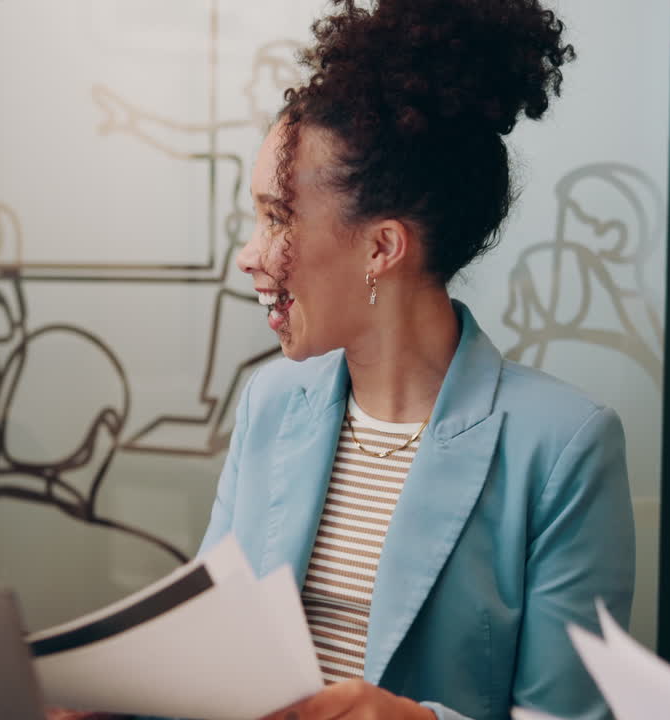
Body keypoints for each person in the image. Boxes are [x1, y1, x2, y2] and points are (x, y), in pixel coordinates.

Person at [198, 1, 636, 718]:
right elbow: (204, 643)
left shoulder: (563, 447)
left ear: (382, 248)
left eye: (277, 217)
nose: (249, 254)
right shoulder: (270, 403)